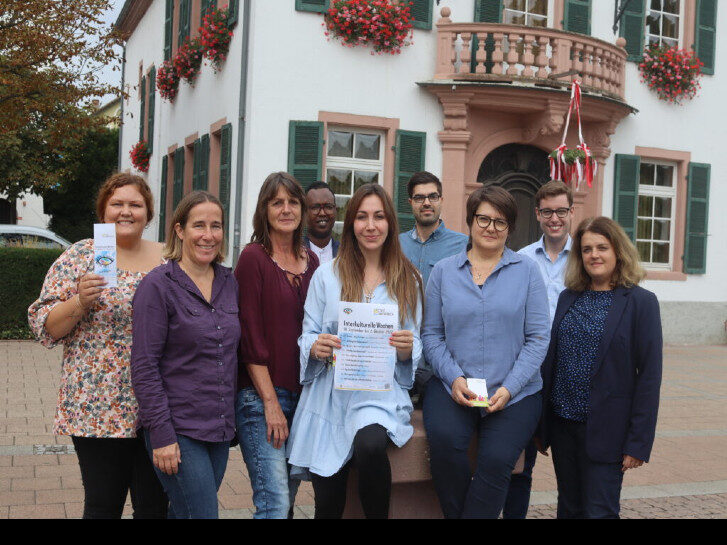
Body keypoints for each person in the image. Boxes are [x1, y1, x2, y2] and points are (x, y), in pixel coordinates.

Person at [27, 173, 168, 519]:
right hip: (97, 403)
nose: (125, 212)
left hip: (158, 402)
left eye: (135, 205)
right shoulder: (81, 255)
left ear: (148, 214)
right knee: (104, 504)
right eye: (116, 204)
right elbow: (43, 325)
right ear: (103, 211)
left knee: (155, 506)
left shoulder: (169, 257)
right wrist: (80, 302)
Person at [288, 183, 423, 519]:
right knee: (328, 500)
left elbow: (415, 340)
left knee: (371, 444)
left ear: (390, 223)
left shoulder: (409, 279)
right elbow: (307, 335)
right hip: (330, 393)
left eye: (378, 216)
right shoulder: (327, 276)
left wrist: (406, 350)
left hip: (378, 393)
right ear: (350, 224)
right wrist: (316, 346)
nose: (370, 225)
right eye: (361, 217)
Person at [422, 185, 550, 519]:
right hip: (454, 385)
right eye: (483, 219)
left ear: (510, 227)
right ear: (470, 221)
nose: (491, 227)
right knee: (446, 447)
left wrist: (510, 388)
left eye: (500, 221)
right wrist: (454, 378)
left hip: (516, 392)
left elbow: (538, 338)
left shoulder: (527, 271)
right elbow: (431, 335)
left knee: (495, 461)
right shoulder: (443, 272)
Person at [536, 216, 662, 519]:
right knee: (569, 507)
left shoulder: (641, 302)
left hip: (609, 430)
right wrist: (542, 425)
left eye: (602, 247)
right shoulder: (569, 297)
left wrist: (638, 442)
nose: (594, 255)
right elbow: (552, 361)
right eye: (587, 249)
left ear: (618, 250)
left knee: (600, 511)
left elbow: (649, 376)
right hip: (564, 424)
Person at [131, 191, 239, 519]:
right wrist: (162, 435)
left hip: (218, 428)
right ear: (180, 231)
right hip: (177, 428)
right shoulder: (158, 286)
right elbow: (144, 366)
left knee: (185, 513)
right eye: (199, 226)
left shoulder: (229, 281)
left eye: (216, 226)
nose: (208, 235)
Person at [235, 172, 319, 519]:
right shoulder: (253, 258)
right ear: (265, 210)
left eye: (293, 202)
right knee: (275, 503)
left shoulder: (312, 261)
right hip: (262, 397)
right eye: (277, 202)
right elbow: (249, 337)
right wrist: (270, 403)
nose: (286, 209)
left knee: (287, 497)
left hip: (304, 396)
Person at [503, 180, 574, 519]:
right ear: (538, 214)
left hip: (570, 371)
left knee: (569, 464)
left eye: (561, 211)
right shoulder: (521, 259)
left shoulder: (585, 259)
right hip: (529, 368)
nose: (554, 218)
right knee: (522, 461)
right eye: (547, 212)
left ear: (571, 212)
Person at [398, 172, 467, 403]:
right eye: (419, 198)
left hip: (443, 354)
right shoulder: (395, 245)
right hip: (401, 350)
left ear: (441, 200)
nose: (426, 202)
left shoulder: (463, 246)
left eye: (432, 196)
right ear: (410, 203)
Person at [304, 181, 339, 264]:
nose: (322, 213)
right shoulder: (294, 252)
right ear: (304, 213)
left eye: (328, 207)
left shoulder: (346, 254)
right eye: (315, 208)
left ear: (335, 211)